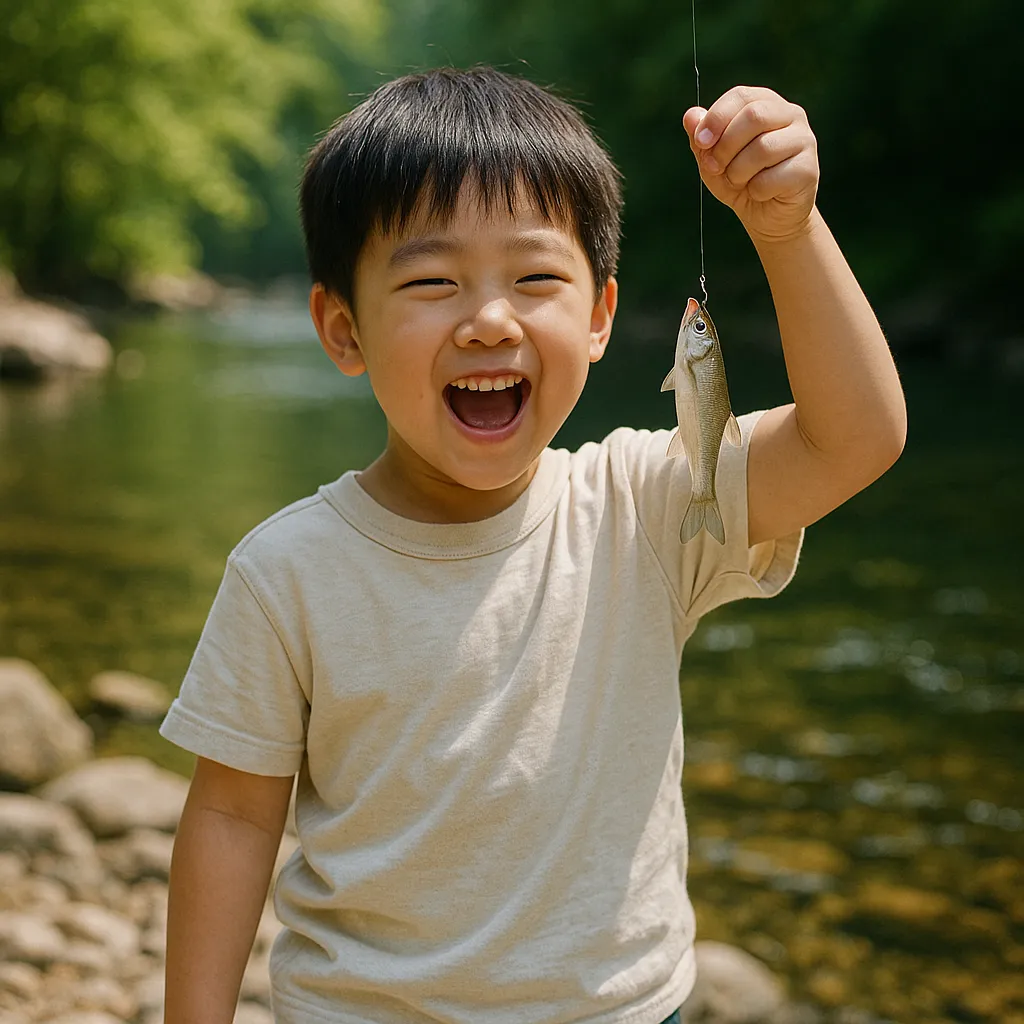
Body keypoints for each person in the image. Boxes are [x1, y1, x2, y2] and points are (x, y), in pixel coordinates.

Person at [159, 66, 906, 1024]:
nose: (489, 321)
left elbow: (858, 437)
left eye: (536, 277)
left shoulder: (645, 499)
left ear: (598, 317)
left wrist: (788, 231)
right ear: (342, 328)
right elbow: (230, 817)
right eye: (432, 282)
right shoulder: (286, 571)